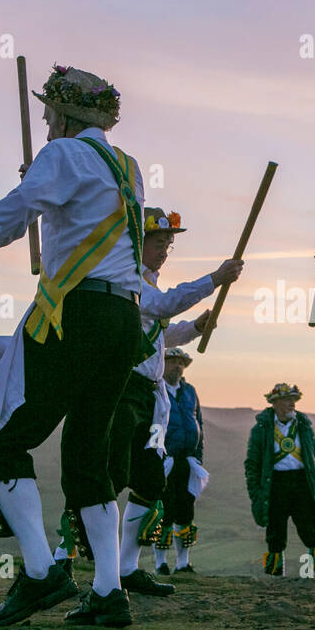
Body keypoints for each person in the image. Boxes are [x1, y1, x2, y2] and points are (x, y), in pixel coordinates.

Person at [0, 64, 145, 628]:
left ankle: (44, 574)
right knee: (88, 452)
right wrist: (41, 186)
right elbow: (74, 214)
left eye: (50, 111)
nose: (44, 119)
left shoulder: (61, 156)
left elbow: (14, 218)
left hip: (78, 314)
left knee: (0, 440)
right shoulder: (127, 168)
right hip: (125, 319)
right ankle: (109, 592)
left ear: (66, 115)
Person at [88, 207, 240, 596]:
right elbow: (162, 305)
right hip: (123, 390)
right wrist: (215, 279)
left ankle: (127, 568)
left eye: (168, 245)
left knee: (150, 480)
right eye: (159, 243)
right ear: (139, 242)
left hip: (150, 400)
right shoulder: (127, 277)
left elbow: (160, 337)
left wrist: (194, 329)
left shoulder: (150, 283)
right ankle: (66, 556)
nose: (165, 251)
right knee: (112, 474)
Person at [245, 383, 315, 577]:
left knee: (309, 530)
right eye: (287, 400)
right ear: (274, 403)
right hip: (275, 484)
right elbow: (252, 463)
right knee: (275, 532)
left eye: (294, 399)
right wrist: (256, 492)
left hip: (302, 482)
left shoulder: (304, 426)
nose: (292, 403)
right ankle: (276, 578)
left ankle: (313, 576)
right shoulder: (261, 429)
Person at [157, 347, 206, 575]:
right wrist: (158, 455)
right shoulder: (156, 389)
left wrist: (197, 456)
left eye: (181, 363)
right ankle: (160, 563)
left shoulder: (190, 392)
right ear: (163, 363)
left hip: (187, 460)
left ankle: (183, 563)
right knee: (164, 510)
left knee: (186, 510)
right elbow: (154, 423)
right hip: (166, 459)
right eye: (173, 361)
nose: (178, 366)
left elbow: (199, 425)